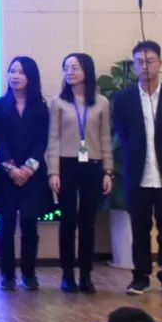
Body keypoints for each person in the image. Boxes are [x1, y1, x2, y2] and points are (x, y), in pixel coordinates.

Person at [46, 52, 113, 295]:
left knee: (87, 223)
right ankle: (67, 274)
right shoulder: (58, 102)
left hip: (93, 165)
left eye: (75, 67)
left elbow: (105, 138)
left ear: (87, 70)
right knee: (67, 222)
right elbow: (53, 138)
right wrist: (53, 172)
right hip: (66, 165)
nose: (70, 72)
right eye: (66, 68)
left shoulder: (101, 102)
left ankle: (86, 274)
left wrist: (108, 171)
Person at [113, 41, 162, 295]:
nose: (145, 67)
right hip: (137, 173)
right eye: (139, 62)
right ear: (134, 66)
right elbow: (122, 133)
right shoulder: (124, 99)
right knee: (139, 228)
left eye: (150, 61)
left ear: (160, 63)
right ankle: (140, 276)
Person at [0, 56, 50, 291]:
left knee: (29, 224)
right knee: (6, 224)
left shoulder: (41, 107)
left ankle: (29, 274)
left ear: (31, 77)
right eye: (12, 71)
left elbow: (42, 140)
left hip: (32, 174)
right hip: (6, 174)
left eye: (21, 72)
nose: (15, 76)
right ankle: (7, 275)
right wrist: (11, 168)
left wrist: (28, 168)